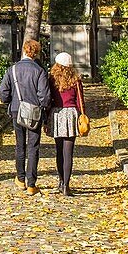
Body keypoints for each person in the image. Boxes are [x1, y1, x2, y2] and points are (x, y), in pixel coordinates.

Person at [0, 39, 52, 195]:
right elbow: (45, 96)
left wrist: (11, 101)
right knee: (33, 147)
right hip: (34, 111)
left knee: (19, 145)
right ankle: (31, 183)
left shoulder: (12, 70)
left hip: (17, 110)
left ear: (23, 50)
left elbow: (3, 92)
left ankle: (20, 178)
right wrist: (43, 108)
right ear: (36, 53)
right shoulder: (39, 71)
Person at [47, 51, 84, 197]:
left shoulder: (52, 79)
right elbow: (80, 100)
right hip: (71, 114)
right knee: (68, 152)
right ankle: (66, 186)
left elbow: (48, 99)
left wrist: (46, 117)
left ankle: (61, 181)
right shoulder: (76, 79)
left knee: (59, 150)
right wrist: (82, 115)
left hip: (57, 114)